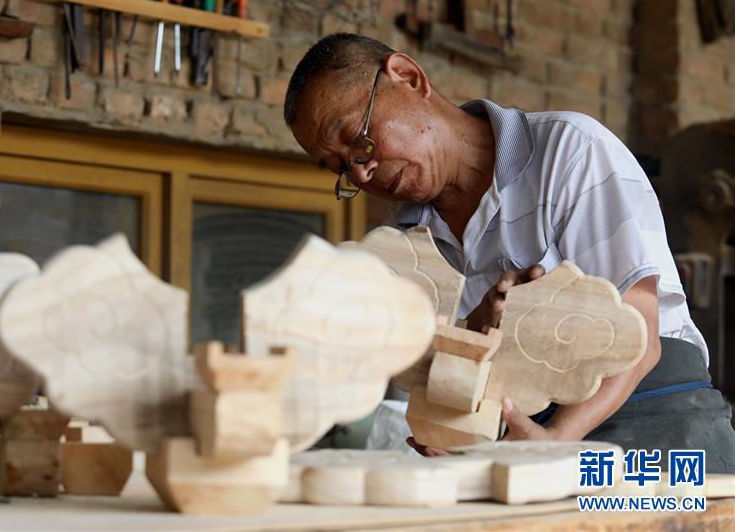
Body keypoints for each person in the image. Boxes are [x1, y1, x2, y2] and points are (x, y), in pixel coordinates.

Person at [283, 33, 735, 472]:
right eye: (340, 168)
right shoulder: (403, 241)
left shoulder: (569, 151)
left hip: (659, 426)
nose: (362, 173)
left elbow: (640, 334)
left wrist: (556, 439)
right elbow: (461, 388)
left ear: (408, 77)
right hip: (533, 447)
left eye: (359, 141)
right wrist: (455, 426)